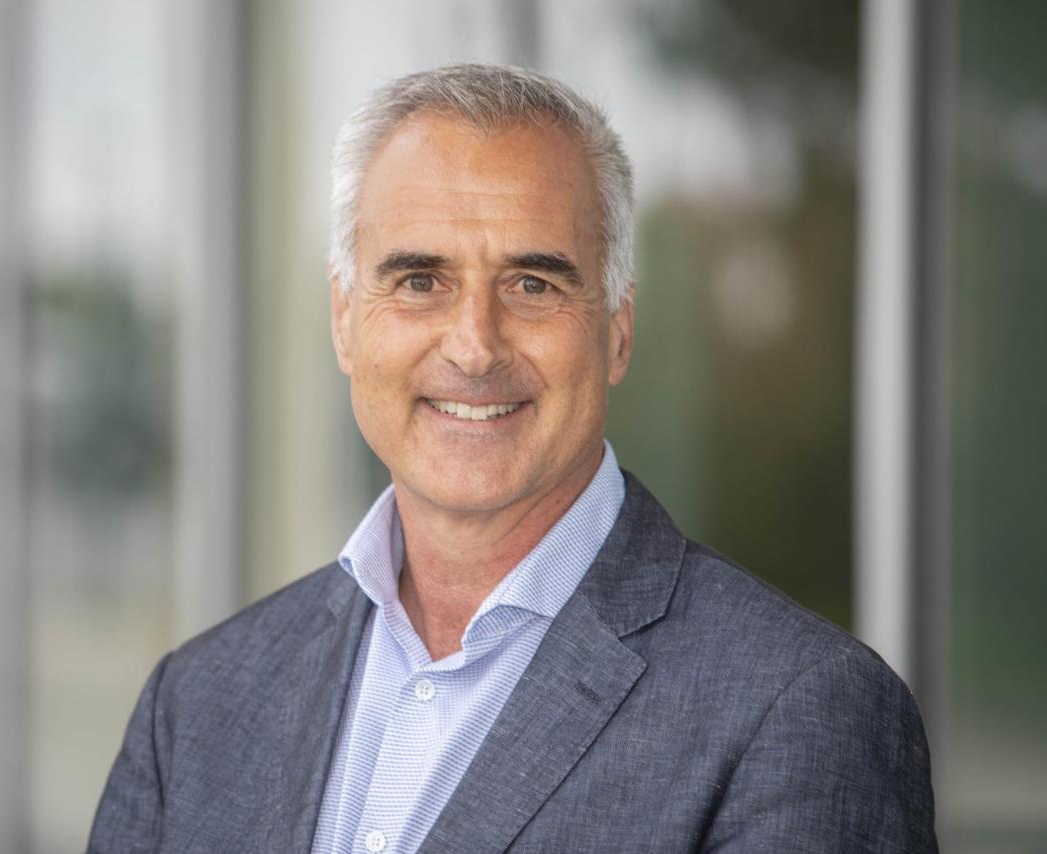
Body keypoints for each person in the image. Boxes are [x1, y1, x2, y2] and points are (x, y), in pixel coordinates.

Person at [88, 64, 937, 853]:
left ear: (617, 331)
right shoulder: (195, 705)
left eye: (533, 285)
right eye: (420, 281)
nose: (474, 346)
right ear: (345, 321)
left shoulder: (800, 713)